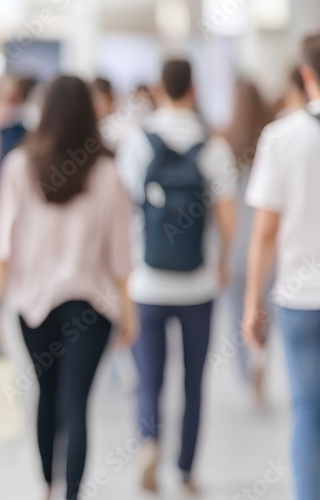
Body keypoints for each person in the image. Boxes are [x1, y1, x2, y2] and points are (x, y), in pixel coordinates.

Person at [0, 75, 135, 500]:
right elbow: (121, 254)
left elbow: (1, 247)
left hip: (33, 305)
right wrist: (129, 311)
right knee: (76, 403)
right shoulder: (106, 171)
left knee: (45, 395)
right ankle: (71, 495)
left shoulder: (18, 166)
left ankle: (47, 488)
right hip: (93, 305)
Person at [116, 59, 237, 494]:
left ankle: (150, 442)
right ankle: (186, 468)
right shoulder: (214, 146)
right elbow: (227, 219)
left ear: (160, 89)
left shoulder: (137, 143)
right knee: (193, 380)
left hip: (146, 282)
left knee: (148, 377)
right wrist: (221, 261)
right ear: (194, 89)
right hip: (197, 284)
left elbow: (122, 209)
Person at [242, 33, 320, 500]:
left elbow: (265, 232)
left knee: (309, 413)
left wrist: (252, 301)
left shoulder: (282, 136)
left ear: (306, 74)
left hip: (300, 298)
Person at [220, 79, 273, 405]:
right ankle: (261, 360)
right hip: (268, 246)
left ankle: (244, 371)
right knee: (266, 311)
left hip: (237, 246)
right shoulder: (272, 139)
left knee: (238, 314)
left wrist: (220, 255)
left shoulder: (226, 143)